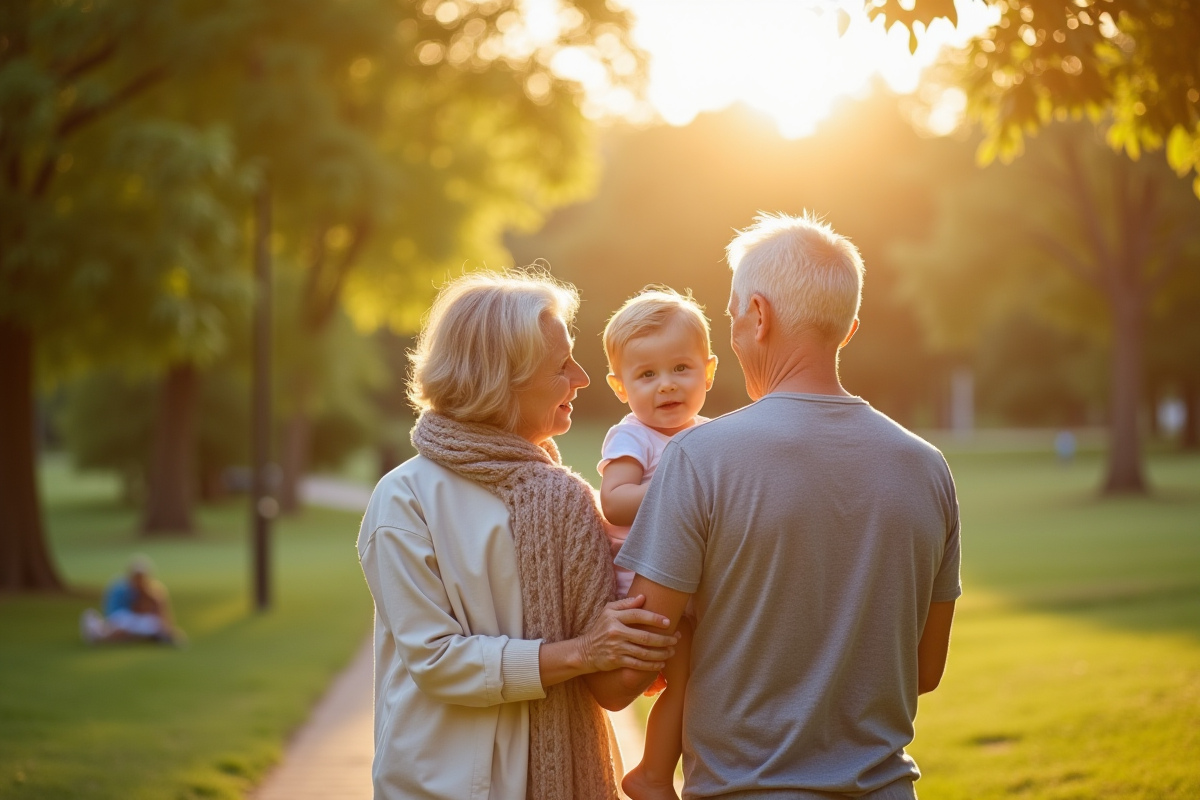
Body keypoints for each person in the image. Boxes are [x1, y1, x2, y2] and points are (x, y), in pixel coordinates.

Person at [594, 212, 962, 799]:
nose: (734, 334)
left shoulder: (698, 458)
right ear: (847, 328)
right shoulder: (928, 468)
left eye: (733, 316)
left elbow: (620, 682)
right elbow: (924, 672)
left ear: (758, 316)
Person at [357, 271, 681, 800]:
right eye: (561, 366)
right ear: (500, 378)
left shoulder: (568, 500)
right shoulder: (405, 499)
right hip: (442, 787)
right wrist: (580, 653)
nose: (582, 377)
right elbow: (438, 661)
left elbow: (611, 665)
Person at [596, 288, 717, 800]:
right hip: (644, 582)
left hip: (695, 581)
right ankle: (650, 775)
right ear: (620, 387)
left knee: (706, 681)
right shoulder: (633, 438)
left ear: (708, 372)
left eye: (681, 369)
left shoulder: (715, 435)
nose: (666, 386)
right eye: (646, 376)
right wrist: (677, 487)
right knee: (685, 679)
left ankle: (691, 772)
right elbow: (615, 501)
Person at [80, 555, 182, 645]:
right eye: (136, 576)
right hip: (122, 617)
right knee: (124, 628)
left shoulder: (155, 590)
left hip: (142, 622)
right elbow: (115, 613)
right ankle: (100, 634)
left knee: (153, 627)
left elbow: (163, 614)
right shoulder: (119, 587)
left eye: (142, 576)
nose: (139, 579)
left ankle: (101, 635)